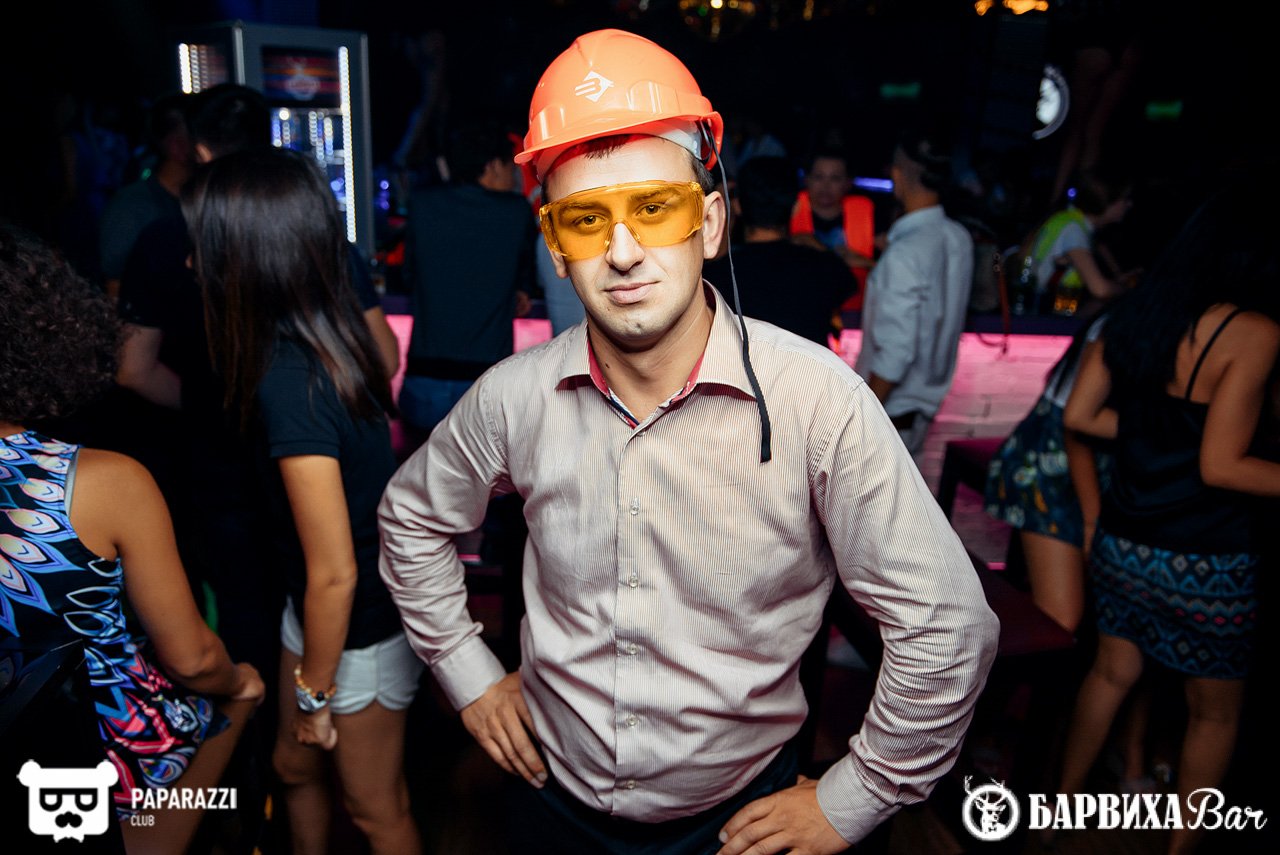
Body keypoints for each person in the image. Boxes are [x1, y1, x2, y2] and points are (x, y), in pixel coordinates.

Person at [378, 28, 998, 855]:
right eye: (587, 220)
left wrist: (855, 796)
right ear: (555, 246)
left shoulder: (817, 402)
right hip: (551, 804)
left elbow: (946, 625)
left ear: (709, 223)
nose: (622, 252)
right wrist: (468, 672)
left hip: (739, 821)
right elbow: (410, 520)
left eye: (653, 208)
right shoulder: (514, 396)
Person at [184, 147, 424, 855]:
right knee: (293, 767)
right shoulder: (321, 331)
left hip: (357, 626)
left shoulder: (292, 381)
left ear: (243, 260)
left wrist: (316, 696)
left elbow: (336, 573)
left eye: (204, 246)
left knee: (376, 808)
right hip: (316, 611)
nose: (192, 264)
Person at [0, 224, 265, 854]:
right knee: (237, 699)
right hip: (85, 765)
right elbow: (193, 660)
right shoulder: (103, 483)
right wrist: (241, 687)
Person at [1057, 180, 1280, 854]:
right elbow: (1222, 465)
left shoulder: (1142, 312)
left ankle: (1058, 814)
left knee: (1109, 675)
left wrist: (1157, 434)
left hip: (1125, 542)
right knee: (1214, 714)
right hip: (1207, 559)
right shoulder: (1253, 331)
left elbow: (1080, 416)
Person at [398, 119, 536, 450]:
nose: (517, 177)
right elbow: (528, 275)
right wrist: (521, 291)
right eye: (511, 166)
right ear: (492, 165)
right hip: (485, 385)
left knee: (421, 480)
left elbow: (407, 276)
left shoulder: (422, 205)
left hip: (423, 381)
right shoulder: (516, 212)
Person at [853, 128, 974, 464]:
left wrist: (860, 418)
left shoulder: (905, 252)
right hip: (920, 416)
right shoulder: (959, 238)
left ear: (897, 174)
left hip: (889, 417)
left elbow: (895, 355)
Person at [705, 155, 857, 347]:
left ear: (737, 206)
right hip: (806, 366)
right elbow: (848, 283)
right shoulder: (825, 268)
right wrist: (820, 248)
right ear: (796, 208)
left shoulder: (715, 277)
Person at [98, 92, 193, 302]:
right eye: (201, 134)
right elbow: (115, 288)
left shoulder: (204, 199)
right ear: (177, 146)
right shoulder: (131, 207)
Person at [1015, 165, 1136, 318]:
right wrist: (1130, 290)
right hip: (1040, 314)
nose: (1129, 204)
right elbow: (1100, 290)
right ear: (1107, 200)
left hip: (1044, 307)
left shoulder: (1069, 220)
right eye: (1125, 199)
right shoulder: (1074, 230)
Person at [789, 147, 875, 309]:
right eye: (818, 177)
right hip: (803, 303)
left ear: (848, 183)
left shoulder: (872, 217)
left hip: (855, 307)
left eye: (835, 178)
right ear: (806, 179)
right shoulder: (786, 212)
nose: (826, 186)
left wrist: (867, 263)